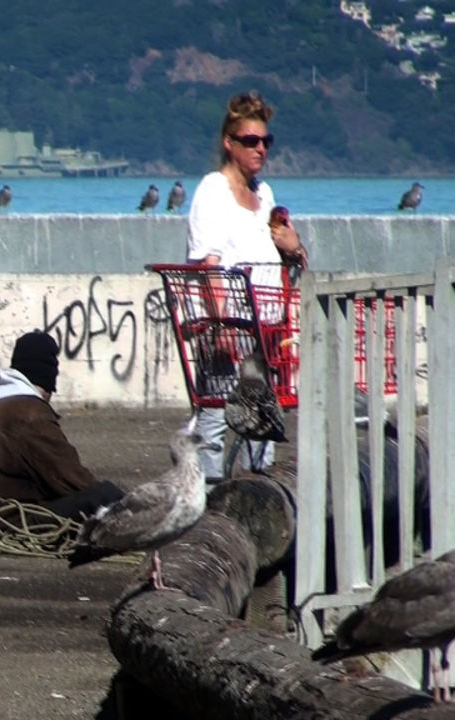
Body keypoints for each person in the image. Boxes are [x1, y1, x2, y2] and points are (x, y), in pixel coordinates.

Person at [185, 91, 308, 478]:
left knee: (262, 419)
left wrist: (294, 246)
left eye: (266, 142)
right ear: (230, 143)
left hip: (266, 328)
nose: (261, 149)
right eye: (251, 141)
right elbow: (209, 264)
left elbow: (287, 253)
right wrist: (221, 325)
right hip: (231, 325)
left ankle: (257, 491)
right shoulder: (212, 192)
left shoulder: (264, 194)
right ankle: (207, 496)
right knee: (217, 418)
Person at [0, 331, 124, 536]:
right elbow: (71, 479)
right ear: (48, 380)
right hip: (11, 525)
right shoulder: (29, 413)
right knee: (105, 495)